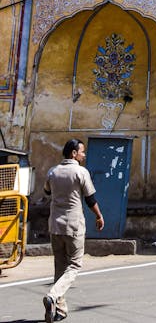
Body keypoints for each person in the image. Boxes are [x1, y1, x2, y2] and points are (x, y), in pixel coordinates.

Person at [43, 138, 105, 323]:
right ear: (73, 153)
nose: (84, 155)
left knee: (59, 266)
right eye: (82, 152)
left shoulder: (53, 171)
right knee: (75, 265)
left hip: (55, 226)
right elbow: (90, 199)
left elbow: (46, 192)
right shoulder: (80, 172)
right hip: (74, 225)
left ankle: (60, 310)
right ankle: (53, 296)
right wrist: (99, 216)